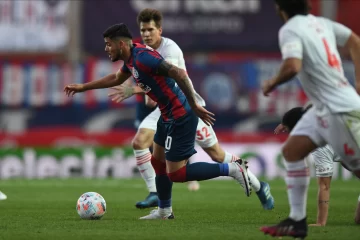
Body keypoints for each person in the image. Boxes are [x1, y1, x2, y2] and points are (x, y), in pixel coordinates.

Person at [64, 23, 252, 220]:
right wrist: (83, 87)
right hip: (166, 114)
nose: (106, 49)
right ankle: (164, 211)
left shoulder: (144, 58)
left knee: (176, 174)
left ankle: (233, 169)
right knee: (157, 161)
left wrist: (194, 105)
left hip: (181, 114)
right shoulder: (131, 58)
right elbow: (116, 78)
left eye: (108, 44)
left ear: (121, 44)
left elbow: (178, 73)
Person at [108, 8, 274, 210]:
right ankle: (155, 193)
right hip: (164, 110)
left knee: (217, 155)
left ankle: (258, 185)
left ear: (160, 30)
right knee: (140, 141)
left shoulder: (170, 49)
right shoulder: (142, 51)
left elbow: (169, 81)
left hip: (186, 106)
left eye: (150, 29)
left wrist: (136, 89)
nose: (146, 34)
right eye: (143, 30)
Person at [260, 0, 360, 238]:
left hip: (339, 109)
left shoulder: (289, 29)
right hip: (321, 107)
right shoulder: (322, 23)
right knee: (292, 152)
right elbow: (355, 41)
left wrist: (272, 82)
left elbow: (293, 66)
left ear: (280, 9)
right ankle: (297, 221)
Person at [274, 106, 360, 227]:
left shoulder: (320, 145)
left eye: (291, 131)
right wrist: (287, 122)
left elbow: (325, 186)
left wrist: (321, 222)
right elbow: (306, 110)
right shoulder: (326, 119)